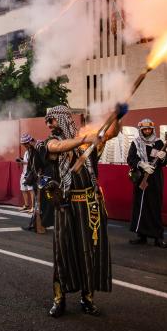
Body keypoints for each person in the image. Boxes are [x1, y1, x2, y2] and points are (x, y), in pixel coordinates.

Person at [39, 104, 124, 318]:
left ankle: (87, 298)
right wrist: (85, 139)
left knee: (89, 252)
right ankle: (59, 299)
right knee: (63, 253)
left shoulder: (85, 140)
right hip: (66, 205)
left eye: (53, 119)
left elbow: (111, 132)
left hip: (89, 204)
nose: (49, 124)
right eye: (47, 121)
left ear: (65, 119)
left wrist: (118, 116)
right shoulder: (52, 142)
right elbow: (58, 148)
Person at [127, 119, 167, 248]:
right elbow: (131, 158)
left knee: (155, 206)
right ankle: (142, 236)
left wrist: (164, 157)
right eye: (144, 129)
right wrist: (142, 164)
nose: (147, 131)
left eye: (149, 129)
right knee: (141, 207)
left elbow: (164, 162)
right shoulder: (136, 143)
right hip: (141, 178)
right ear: (141, 130)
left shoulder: (159, 142)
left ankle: (158, 237)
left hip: (155, 178)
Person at [16, 134, 36, 213]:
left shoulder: (33, 150)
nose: (24, 145)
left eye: (25, 143)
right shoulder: (27, 151)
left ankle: (33, 207)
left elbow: (32, 162)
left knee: (31, 189)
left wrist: (22, 161)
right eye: (23, 144)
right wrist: (21, 160)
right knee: (23, 189)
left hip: (30, 173)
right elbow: (27, 161)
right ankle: (26, 205)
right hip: (24, 172)